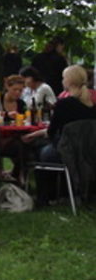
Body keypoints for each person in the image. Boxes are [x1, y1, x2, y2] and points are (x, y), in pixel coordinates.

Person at [28, 65, 96, 205]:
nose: (62, 80)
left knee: (39, 150)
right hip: (88, 153)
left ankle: (45, 196)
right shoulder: (92, 106)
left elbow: (51, 132)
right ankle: (65, 192)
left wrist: (34, 135)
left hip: (66, 152)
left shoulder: (63, 104)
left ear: (69, 81)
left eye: (63, 78)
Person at [0, 75, 30, 183]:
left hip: (16, 137)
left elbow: (26, 120)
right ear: (7, 87)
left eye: (20, 90)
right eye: (15, 89)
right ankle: (17, 176)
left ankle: (17, 175)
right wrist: (7, 116)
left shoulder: (21, 104)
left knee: (25, 144)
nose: (17, 93)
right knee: (21, 146)